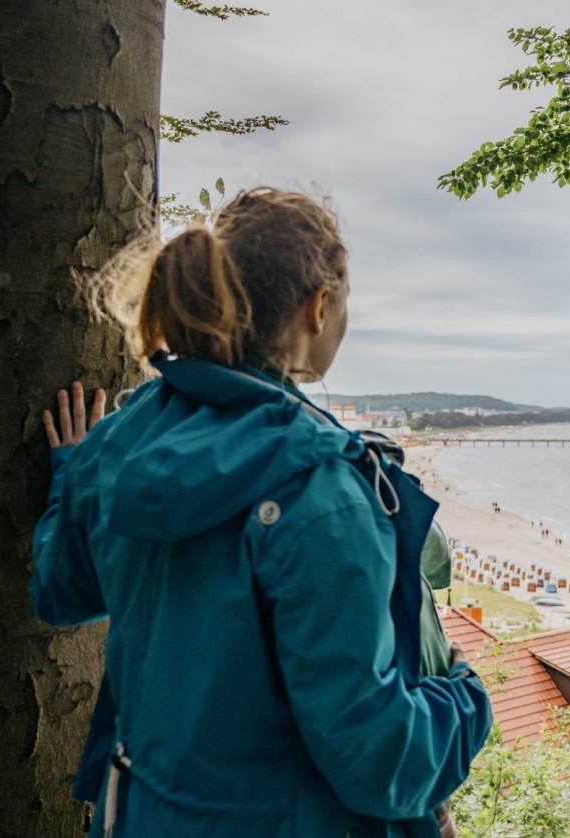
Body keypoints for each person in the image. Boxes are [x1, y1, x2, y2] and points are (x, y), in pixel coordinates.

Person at [31, 188, 492, 837]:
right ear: (319, 306)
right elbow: (379, 760)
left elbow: (60, 590)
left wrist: (68, 473)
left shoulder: (115, 446)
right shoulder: (319, 487)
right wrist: (468, 700)